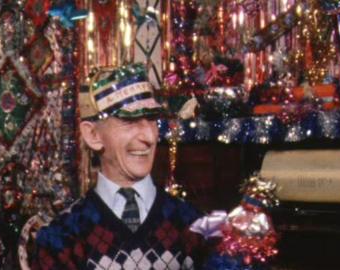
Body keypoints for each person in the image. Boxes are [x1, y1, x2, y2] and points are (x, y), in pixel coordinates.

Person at [32, 64, 209, 270]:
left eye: (151, 119)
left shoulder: (195, 227)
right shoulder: (62, 239)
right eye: (130, 120)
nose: (150, 137)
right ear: (93, 135)